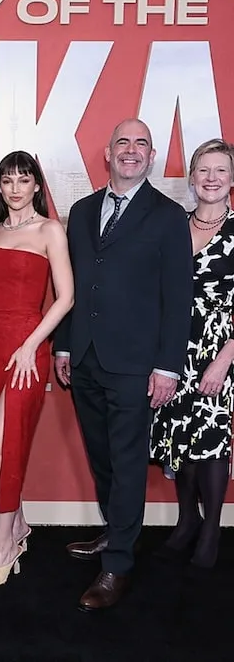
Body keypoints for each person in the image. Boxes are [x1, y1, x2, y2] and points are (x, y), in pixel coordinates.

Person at [53, 119, 192, 611]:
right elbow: (70, 289)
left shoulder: (169, 216)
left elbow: (179, 299)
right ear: (107, 154)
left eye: (141, 144)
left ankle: (118, 567)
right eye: (122, 143)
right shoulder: (84, 210)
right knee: (103, 457)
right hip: (86, 358)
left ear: (150, 157)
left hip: (137, 365)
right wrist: (64, 346)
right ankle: (115, 532)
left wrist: (168, 366)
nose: (131, 151)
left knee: (130, 460)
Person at [0, 151, 73, 588]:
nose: (14, 188)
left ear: (36, 185)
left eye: (23, 180)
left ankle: (4, 548)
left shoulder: (50, 230)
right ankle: (19, 527)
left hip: (27, 348)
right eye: (6, 180)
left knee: (1, 446)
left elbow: (66, 297)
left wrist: (32, 345)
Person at [149, 138, 234, 570]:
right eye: (204, 170)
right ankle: (186, 521)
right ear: (192, 178)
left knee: (212, 439)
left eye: (221, 170)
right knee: (179, 433)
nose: (212, 178)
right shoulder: (174, 225)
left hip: (220, 348)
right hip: (172, 348)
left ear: (232, 179)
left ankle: (212, 530)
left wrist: (223, 360)